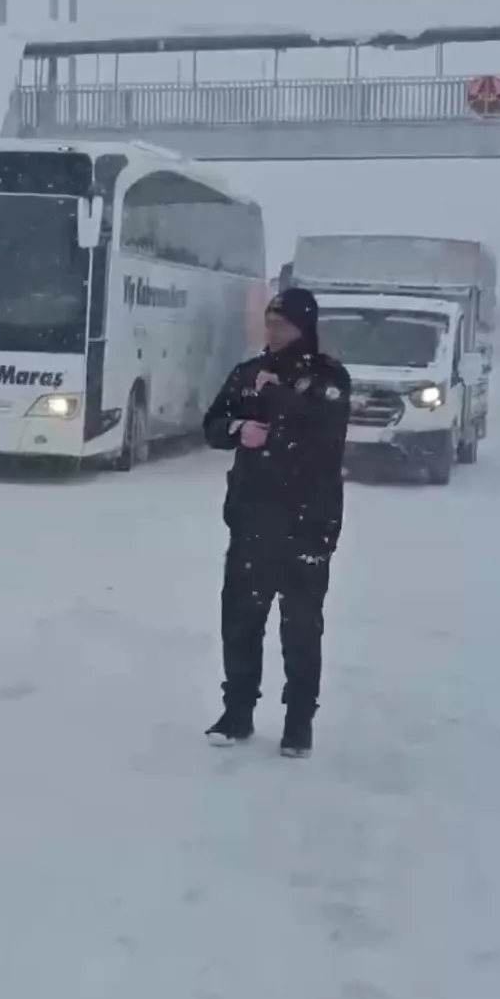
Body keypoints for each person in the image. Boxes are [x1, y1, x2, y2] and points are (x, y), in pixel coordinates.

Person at [201, 286, 351, 757]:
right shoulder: (248, 373)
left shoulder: (328, 377)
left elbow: (323, 429)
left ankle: (298, 723)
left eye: (281, 323)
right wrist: (237, 429)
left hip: (308, 522)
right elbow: (211, 424)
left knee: (301, 629)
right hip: (252, 519)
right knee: (240, 621)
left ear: (303, 326)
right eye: (268, 322)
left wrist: (278, 395)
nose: (272, 331)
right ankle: (237, 711)